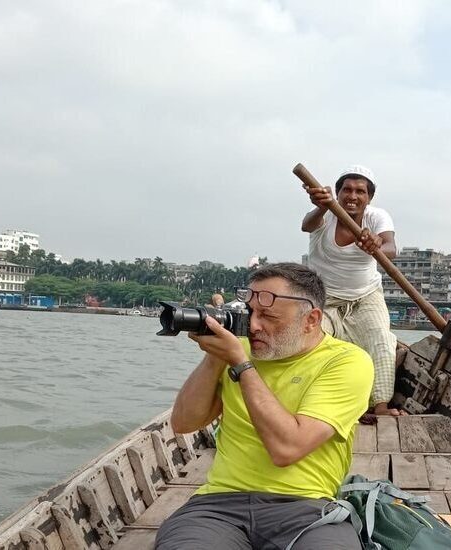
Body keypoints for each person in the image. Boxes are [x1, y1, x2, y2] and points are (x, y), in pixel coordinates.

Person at [156, 262, 373, 550]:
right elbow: (184, 422)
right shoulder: (238, 349)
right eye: (251, 313)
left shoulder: (346, 361)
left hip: (306, 508)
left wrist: (241, 364)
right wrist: (215, 357)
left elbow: (287, 449)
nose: (255, 326)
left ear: (311, 320)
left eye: (269, 317)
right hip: (218, 506)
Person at [301, 164, 402, 416]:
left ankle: (380, 406)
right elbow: (307, 225)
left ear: (369, 198)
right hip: (323, 299)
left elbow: (391, 249)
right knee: (309, 340)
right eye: (347, 190)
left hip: (366, 297)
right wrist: (322, 206)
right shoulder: (325, 214)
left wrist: (376, 243)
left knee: (381, 338)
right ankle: (310, 400)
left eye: (360, 191)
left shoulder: (377, 217)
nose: (353, 196)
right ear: (338, 193)